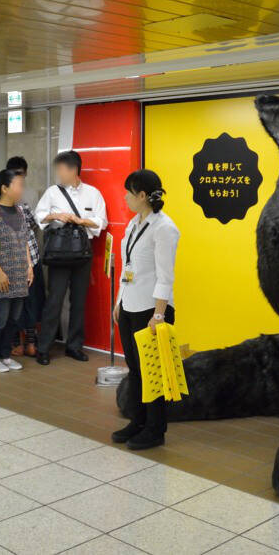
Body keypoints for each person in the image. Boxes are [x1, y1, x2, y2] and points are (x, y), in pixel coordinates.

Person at [111, 170, 179, 451]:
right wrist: (119, 301)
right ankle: (137, 421)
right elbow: (128, 267)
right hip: (130, 305)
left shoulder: (165, 228)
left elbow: (166, 276)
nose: (125, 196)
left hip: (152, 309)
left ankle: (155, 429)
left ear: (142, 195)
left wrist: (159, 315)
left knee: (154, 372)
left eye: (129, 192)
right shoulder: (134, 224)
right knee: (136, 370)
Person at [34, 150, 107, 365]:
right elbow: (39, 217)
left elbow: (102, 222)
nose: (58, 174)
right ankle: (44, 348)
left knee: (79, 302)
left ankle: (74, 346)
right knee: (54, 301)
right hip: (58, 255)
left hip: (82, 254)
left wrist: (79, 220)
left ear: (74, 170)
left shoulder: (93, 193)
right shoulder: (52, 192)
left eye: (61, 169)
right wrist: (55, 215)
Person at [0, 169, 33, 373]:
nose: (21, 189)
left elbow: (25, 241)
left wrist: (29, 266)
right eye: (18, 184)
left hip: (19, 276)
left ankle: (5, 355)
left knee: (14, 319)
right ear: (4, 188)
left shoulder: (19, 211)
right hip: (0, 277)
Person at [6, 156, 44, 357]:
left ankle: (29, 342)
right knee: (18, 303)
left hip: (29, 258)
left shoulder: (29, 195)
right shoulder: (4, 198)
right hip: (15, 260)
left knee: (30, 302)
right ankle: (18, 342)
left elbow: (34, 225)